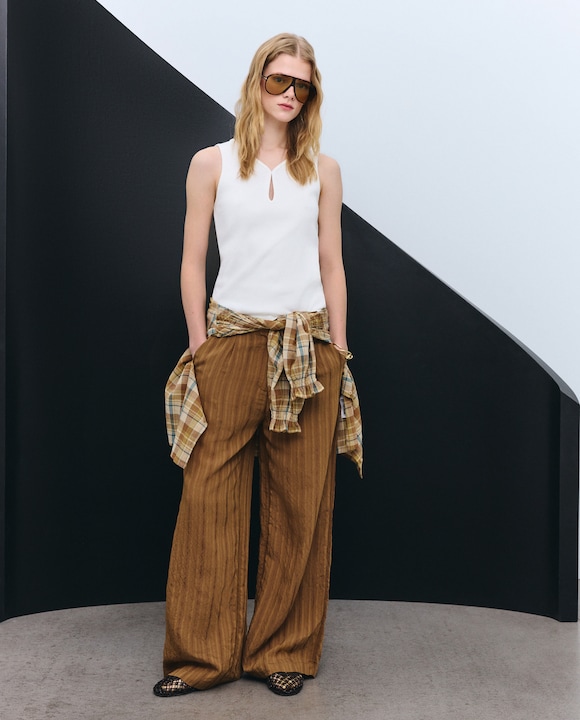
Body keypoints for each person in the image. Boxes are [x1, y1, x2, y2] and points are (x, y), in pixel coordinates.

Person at [155, 32, 362, 699]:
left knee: (301, 504)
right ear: (256, 82)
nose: (289, 94)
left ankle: (283, 651)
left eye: (302, 85)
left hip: (307, 347)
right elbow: (192, 261)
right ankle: (200, 658)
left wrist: (339, 350)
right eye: (279, 80)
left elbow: (332, 264)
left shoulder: (323, 169)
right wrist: (200, 344)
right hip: (232, 342)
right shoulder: (210, 162)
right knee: (209, 499)